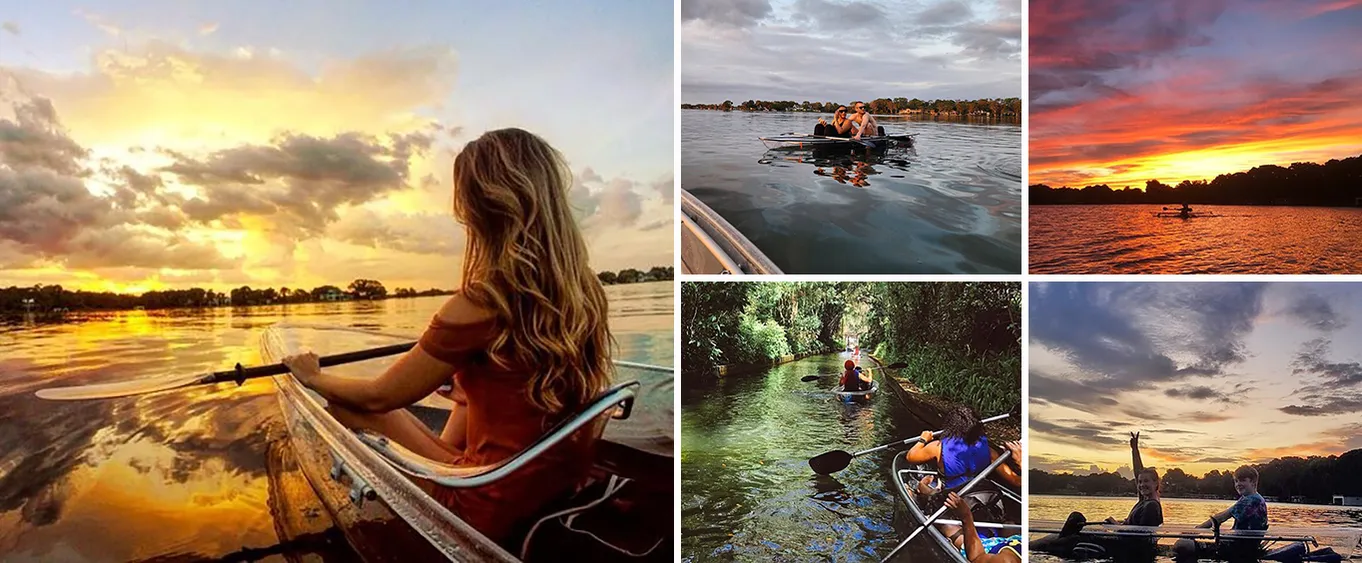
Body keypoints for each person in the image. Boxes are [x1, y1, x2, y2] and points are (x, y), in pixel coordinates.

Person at [279, 128, 614, 545]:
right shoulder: (587, 291)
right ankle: (446, 459)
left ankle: (404, 511)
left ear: (478, 207)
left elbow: (379, 397)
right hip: (552, 488)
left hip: (486, 502)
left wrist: (311, 375)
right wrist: (470, 382)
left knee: (340, 407)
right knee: (460, 396)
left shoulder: (483, 300)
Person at [906, 406, 1022, 553]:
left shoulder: (938, 447)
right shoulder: (990, 451)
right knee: (1007, 520)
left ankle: (965, 548)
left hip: (955, 501)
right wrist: (1020, 462)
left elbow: (911, 456)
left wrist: (924, 438)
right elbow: (1017, 481)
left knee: (929, 499)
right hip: (984, 498)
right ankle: (1009, 543)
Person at [1032, 432, 1162, 559]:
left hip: (1125, 547)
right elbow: (1137, 472)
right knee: (1076, 521)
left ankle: (1038, 548)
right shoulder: (1145, 500)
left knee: (1076, 529)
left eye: (1146, 481)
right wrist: (1134, 450)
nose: (1141, 485)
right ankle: (1050, 544)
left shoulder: (1151, 506)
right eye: (1140, 482)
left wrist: (1116, 526)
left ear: (1156, 483)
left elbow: (1140, 538)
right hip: (1121, 540)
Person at [1172, 465, 1268, 561]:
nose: (1238, 484)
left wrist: (1196, 531)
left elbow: (1220, 518)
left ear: (1253, 482)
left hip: (1237, 549)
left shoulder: (1251, 500)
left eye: (1242, 480)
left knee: (1181, 544)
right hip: (1240, 546)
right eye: (1236, 481)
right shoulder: (1253, 498)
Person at [944, 492, 1021, 562]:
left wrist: (966, 516)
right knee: (1010, 524)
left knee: (947, 526)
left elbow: (976, 558)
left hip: (984, 553)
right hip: (1008, 543)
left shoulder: (1007, 560)